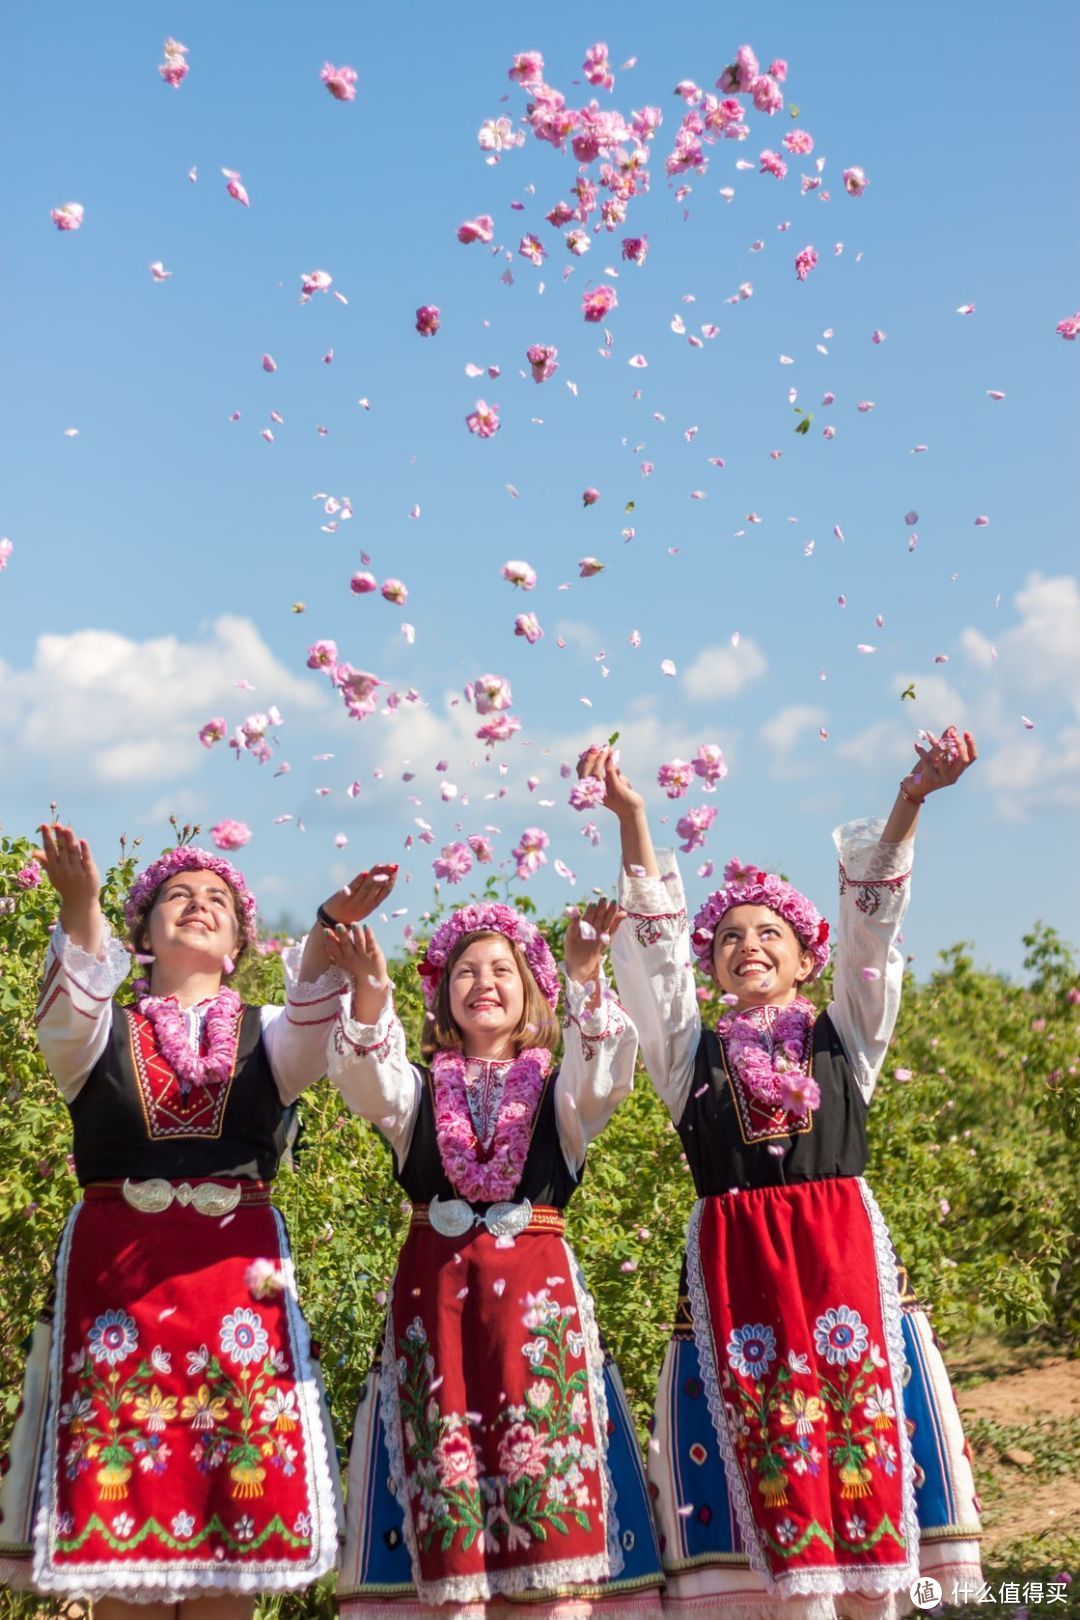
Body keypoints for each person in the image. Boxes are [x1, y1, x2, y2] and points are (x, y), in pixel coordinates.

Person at [578, 729, 983, 1619]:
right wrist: (635, 818)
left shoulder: (848, 1032)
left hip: (838, 1264)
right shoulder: (691, 1054)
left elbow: (874, 922)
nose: (747, 945)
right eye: (727, 936)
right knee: (774, 1469)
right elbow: (650, 961)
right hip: (743, 1276)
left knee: (858, 1451)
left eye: (770, 934)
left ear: (809, 959)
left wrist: (911, 801)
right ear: (711, 963)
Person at [0, 825, 391, 1616]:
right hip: (122, 1307)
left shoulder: (268, 1036)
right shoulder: (101, 1034)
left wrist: (322, 926)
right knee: (124, 1551)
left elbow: (317, 1026)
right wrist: (79, 905)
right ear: (140, 935)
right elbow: (68, 1014)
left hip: (233, 1311)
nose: (198, 906)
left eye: (218, 899)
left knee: (231, 1549)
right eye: (177, 896)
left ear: (241, 940)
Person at [322, 892, 664, 1617]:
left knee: (539, 1487)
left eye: (502, 969)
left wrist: (585, 975)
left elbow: (604, 1072)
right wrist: (369, 991)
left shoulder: (558, 1090)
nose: (484, 982)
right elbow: (363, 1079)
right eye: (466, 970)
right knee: (449, 1500)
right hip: (438, 1313)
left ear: (530, 988)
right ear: (443, 993)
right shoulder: (414, 1088)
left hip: (532, 1317)